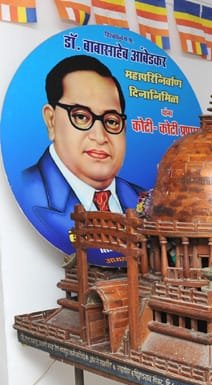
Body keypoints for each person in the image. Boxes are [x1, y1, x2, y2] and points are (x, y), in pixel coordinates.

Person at [20, 54, 142, 253]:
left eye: (111, 121)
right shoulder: (27, 189)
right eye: (81, 117)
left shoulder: (143, 200)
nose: (100, 136)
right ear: (51, 120)